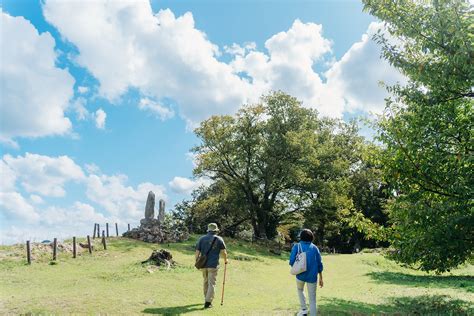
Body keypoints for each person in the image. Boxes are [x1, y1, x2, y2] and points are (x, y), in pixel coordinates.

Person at [289, 229, 323, 316]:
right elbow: (319, 264)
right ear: (311, 237)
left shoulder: (297, 246)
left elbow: (291, 261)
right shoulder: (315, 248)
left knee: (300, 290)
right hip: (312, 276)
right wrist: (321, 278)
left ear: (301, 237)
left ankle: (304, 310)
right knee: (312, 299)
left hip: (300, 275)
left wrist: (299, 265)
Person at [195, 223, 228, 308]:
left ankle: (206, 298)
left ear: (208, 230)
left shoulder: (201, 239)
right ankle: (208, 302)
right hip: (213, 265)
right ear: (215, 231)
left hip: (203, 265)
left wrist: (197, 261)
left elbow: (197, 252)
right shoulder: (219, 239)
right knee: (211, 283)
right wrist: (225, 260)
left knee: (205, 282)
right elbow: (223, 252)